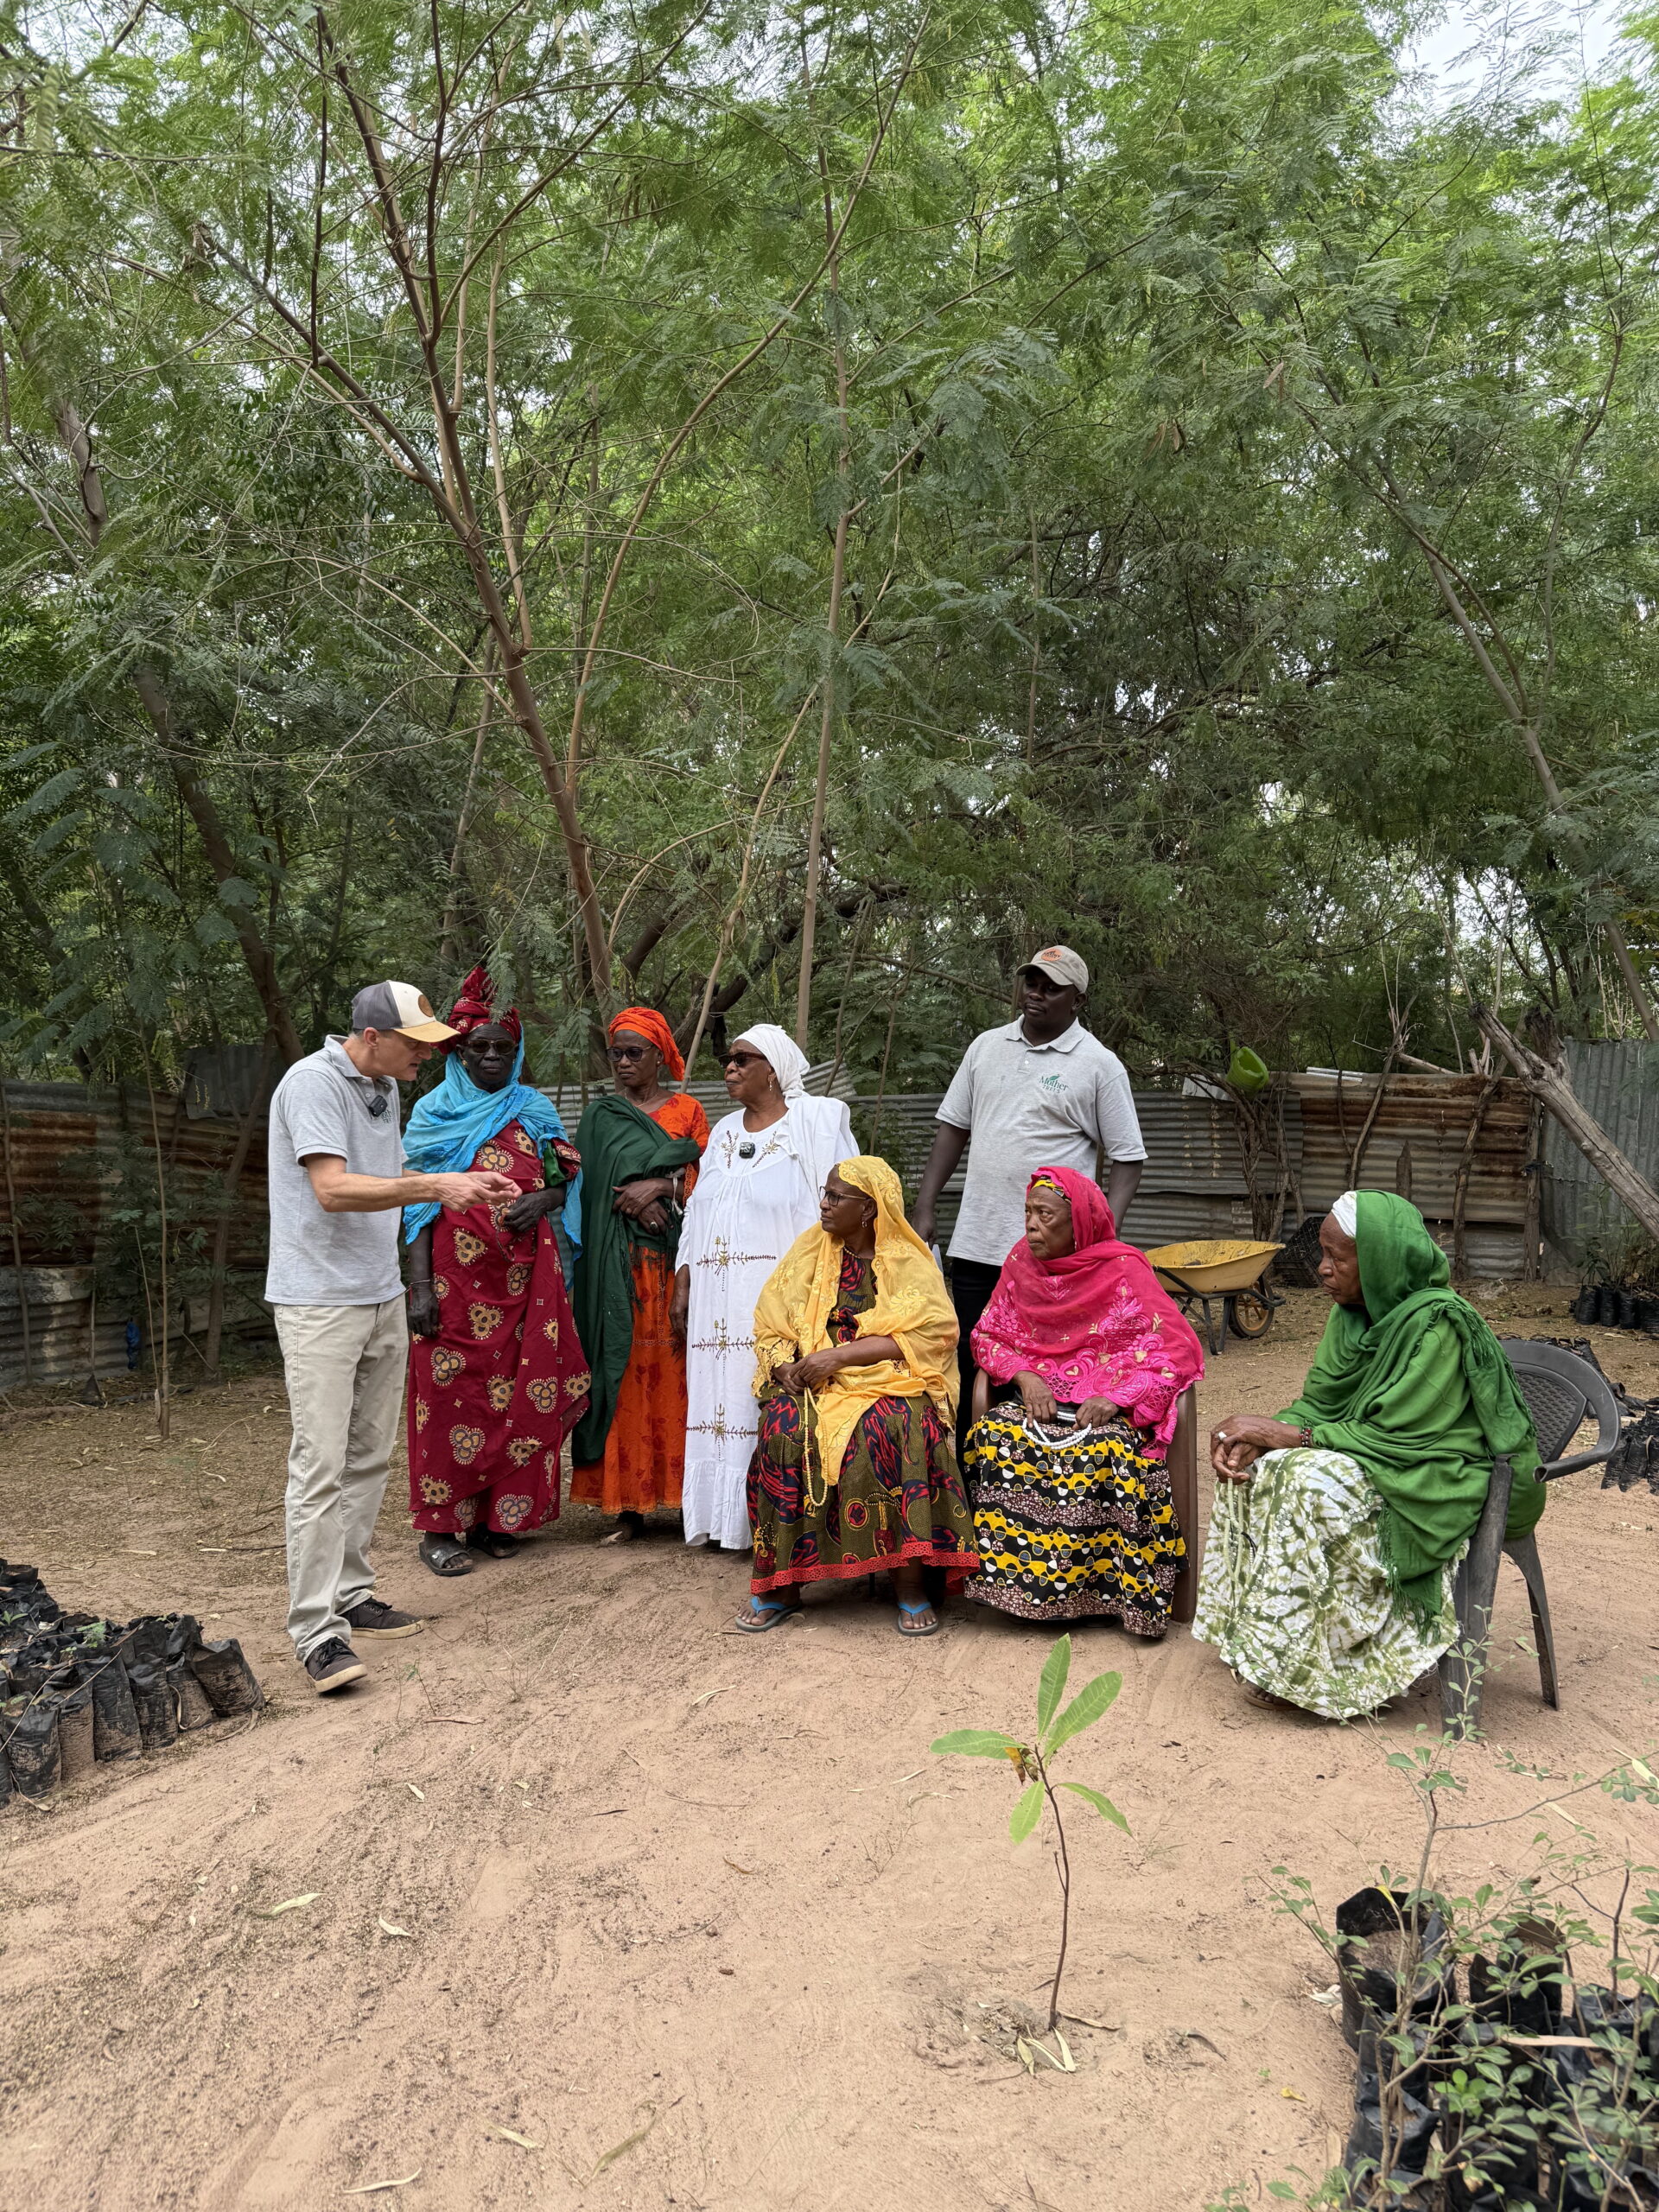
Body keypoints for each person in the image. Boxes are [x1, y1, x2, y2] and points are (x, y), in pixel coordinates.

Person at [1193, 1190, 1544, 1719]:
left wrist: (1288, 1435)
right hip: (1377, 1453)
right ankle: (1266, 1641)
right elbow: (1319, 1404)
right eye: (1323, 1254)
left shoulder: (1438, 1324)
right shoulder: (1352, 1315)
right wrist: (1262, 1437)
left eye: (1336, 1257)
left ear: (1381, 1260)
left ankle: (1340, 1663)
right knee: (1258, 1469)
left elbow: (1397, 1434)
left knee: (1307, 1485)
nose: (1322, 1269)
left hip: (1433, 1471)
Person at [266, 982, 521, 1694]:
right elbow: (333, 1189)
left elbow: (384, 1178)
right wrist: (436, 1189)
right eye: (416, 1043)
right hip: (320, 1301)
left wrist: (460, 1180)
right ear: (374, 1036)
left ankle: (351, 1593)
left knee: (368, 1459)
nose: (428, 1055)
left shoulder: (382, 1088)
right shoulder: (314, 1084)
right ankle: (316, 1632)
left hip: (378, 1294)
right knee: (320, 1466)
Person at [910, 946, 1147, 1457]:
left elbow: (1128, 1158)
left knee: (1044, 1363)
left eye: (1051, 987)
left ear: (1078, 1000)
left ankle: (1034, 1476)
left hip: (1052, 1257)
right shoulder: (986, 1047)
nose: (1036, 994)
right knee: (974, 1357)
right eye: (1031, 982)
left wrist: (1103, 1234)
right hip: (978, 1240)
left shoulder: (1099, 1066)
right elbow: (953, 1129)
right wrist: (925, 1205)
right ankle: (972, 1478)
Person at [402, 967, 590, 1577]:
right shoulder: (433, 1112)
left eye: (502, 1049)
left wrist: (545, 1200)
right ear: (458, 1052)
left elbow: (564, 1177)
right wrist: (419, 1288)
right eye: (478, 1047)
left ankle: (496, 1521)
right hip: (451, 1283)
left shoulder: (534, 1109)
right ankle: (439, 1528)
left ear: (517, 1054)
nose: (490, 1057)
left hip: (526, 1281)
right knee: (449, 1397)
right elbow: (415, 1207)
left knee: (518, 1394)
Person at [738, 1156, 976, 1636]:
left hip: (891, 1376)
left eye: (835, 1197)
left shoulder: (908, 1259)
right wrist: (783, 1364)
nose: (824, 1204)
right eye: (825, 1194)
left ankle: (909, 1581)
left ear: (868, 1209)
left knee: (901, 1425)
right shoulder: (811, 1250)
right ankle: (783, 1586)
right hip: (817, 1378)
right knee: (785, 1425)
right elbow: (772, 1320)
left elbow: (935, 1333)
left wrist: (840, 1357)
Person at [962, 1167, 1205, 1636]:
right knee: (995, 1437)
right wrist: (1025, 1377)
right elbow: (988, 1334)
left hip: (1109, 1403)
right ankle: (1020, 1588)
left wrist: (1117, 1396)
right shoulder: (1020, 1262)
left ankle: (1103, 1594)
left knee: (1106, 1450)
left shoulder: (1124, 1268)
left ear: (1079, 1224)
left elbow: (1176, 1349)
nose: (1031, 1225)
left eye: (1045, 1215)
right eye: (1028, 1212)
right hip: (1038, 1398)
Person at [672, 1025, 855, 1553]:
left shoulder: (817, 1123)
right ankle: (723, 1521)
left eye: (741, 1059)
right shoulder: (724, 1131)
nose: (729, 1068)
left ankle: (774, 1522)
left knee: (769, 1400)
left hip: (781, 1299)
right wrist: (683, 1277)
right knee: (719, 1400)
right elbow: (696, 1212)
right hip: (715, 1302)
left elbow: (847, 1203)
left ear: (772, 1069)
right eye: (727, 1060)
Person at [570, 1008, 709, 1541]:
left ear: (658, 1056)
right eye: (617, 1053)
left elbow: (712, 1182)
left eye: (635, 1052)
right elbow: (588, 1188)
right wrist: (630, 1199)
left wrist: (662, 1189)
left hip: (676, 1266)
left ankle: (687, 1500)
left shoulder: (688, 1111)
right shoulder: (600, 1117)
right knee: (621, 1371)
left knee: (679, 1373)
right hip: (615, 1270)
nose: (624, 1062)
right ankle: (627, 1504)